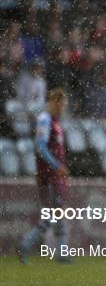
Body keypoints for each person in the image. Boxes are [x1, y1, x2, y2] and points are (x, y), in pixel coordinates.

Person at [17, 87, 70, 264]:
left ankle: (62, 253)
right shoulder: (45, 120)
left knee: (57, 211)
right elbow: (40, 147)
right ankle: (25, 244)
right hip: (49, 175)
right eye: (60, 103)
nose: (62, 107)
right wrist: (56, 166)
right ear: (53, 102)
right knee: (51, 214)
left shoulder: (55, 121)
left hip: (54, 175)